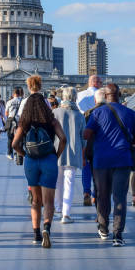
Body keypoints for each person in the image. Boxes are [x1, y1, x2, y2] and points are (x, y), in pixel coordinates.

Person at [83, 83, 135, 246]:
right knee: (120, 197)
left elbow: (86, 134)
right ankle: (118, 235)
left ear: (106, 95)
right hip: (122, 160)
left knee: (102, 195)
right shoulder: (130, 113)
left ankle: (103, 228)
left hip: (101, 160)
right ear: (119, 94)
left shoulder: (97, 113)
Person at [12, 75, 66, 248]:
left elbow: (14, 144)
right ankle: (46, 229)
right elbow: (63, 139)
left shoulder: (24, 122)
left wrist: (25, 153)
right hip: (48, 159)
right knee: (49, 201)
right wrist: (55, 155)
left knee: (36, 200)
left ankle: (35, 234)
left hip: (31, 161)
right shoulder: (51, 120)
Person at [52, 87, 85, 224]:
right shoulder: (80, 115)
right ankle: (66, 214)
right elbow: (83, 139)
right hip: (73, 152)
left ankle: (58, 208)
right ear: (75, 98)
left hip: (56, 151)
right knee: (69, 183)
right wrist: (83, 155)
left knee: (57, 182)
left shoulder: (55, 112)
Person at [77, 75, 102, 206]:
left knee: (85, 165)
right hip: (100, 137)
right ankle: (95, 194)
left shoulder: (79, 95)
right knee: (98, 166)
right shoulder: (104, 97)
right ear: (97, 83)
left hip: (85, 134)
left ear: (89, 83)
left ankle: (86, 192)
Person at [5, 87, 24, 160]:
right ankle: (19, 153)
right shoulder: (22, 101)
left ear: (13, 94)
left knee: (10, 138)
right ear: (19, 94)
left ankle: (10, 153)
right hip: (20, 121)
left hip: (11, 120)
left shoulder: (9, 102)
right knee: (20, 138)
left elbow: (6, 113)